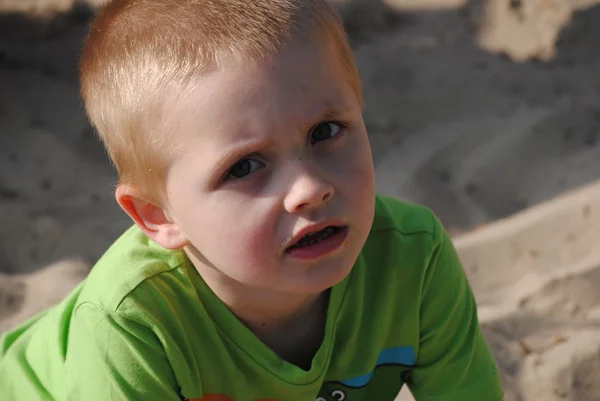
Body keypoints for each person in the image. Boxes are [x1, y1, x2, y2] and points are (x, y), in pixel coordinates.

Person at [0, 0, 504, 400]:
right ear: (158, 216)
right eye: (244, 166)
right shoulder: (131, 323)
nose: (310, 188)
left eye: (326, 131)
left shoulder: (415, 257)